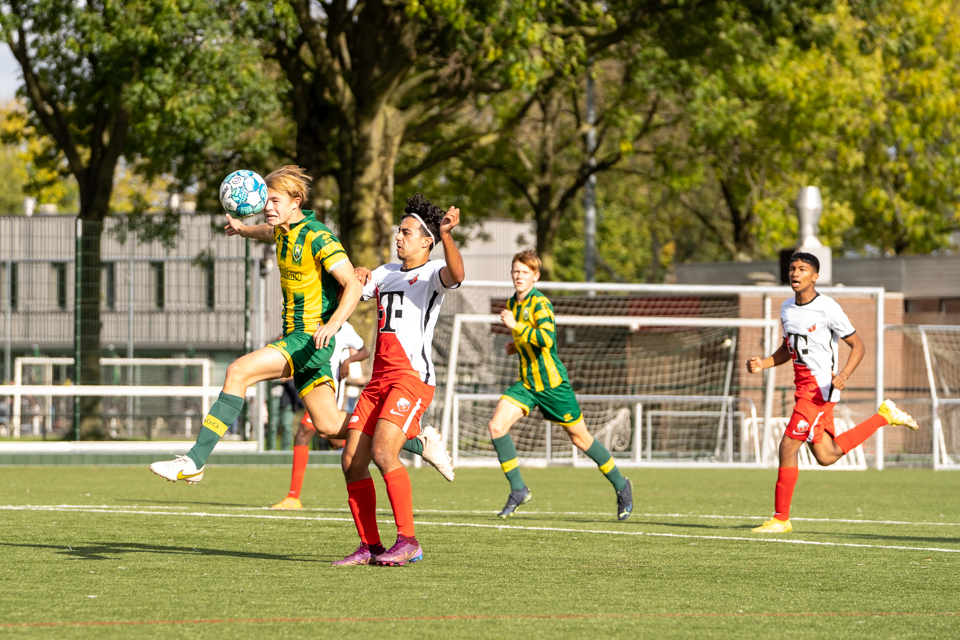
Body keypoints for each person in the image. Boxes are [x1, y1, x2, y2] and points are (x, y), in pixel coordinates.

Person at [149, 166, 363, 483]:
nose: (268, 207)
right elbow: (265, 231)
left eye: (275, 200)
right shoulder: (282, 231)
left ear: (296, 201)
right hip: (300, 340)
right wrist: (242, 229)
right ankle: (413, 437)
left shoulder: (319, 236)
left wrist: (333, 325)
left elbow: (353, 285)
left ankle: (195, 461)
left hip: (309, 339)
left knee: (238, 371)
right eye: (266, 201)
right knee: (330, 425)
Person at [333, 194, 464, 567]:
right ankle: (370, 546)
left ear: (426, 241)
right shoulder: (386, 272)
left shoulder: (432, 272)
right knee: (351, 462)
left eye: (406, 232)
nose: (398, 237)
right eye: (398, 231)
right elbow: (357, 287)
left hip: (411, 379)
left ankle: (408, 540)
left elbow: (457, 276)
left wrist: (447, 235)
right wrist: (356, 276)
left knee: (383, 452)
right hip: (378, 380)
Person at [747, 252, 918, 533]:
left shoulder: (828, 308)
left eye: (803, 269)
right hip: (802, 388)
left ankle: (780, 519)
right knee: (826, 456)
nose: (795, 273)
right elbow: (789, 349)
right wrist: (763, 363)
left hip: (819, 390)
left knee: (788, 446)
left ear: (815, 276)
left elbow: (858, 345)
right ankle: (884, 417)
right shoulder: (786, 308)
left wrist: (844, 375)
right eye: (792, 268)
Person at [485, 250, 633, 520]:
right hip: (528, 384)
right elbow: (529, 340)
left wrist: (516, 326)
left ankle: (622, 485)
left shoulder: (541, 304)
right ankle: (518, 489)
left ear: (536, 276)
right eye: (516, 271)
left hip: (553, 385)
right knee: (496, 426)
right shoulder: (513, 302)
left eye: (525, 273)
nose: (519, 276)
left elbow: (546, 340)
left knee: (581, 439)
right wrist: (515, 346)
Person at [270, 320, 369, 509]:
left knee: (301, 436)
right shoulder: (311, 321)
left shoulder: (343, 327)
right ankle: (378, 442)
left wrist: (347, 361)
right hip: (315, 391)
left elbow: (365, 351)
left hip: (329, 395)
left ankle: (293, 497)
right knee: (335, 441)